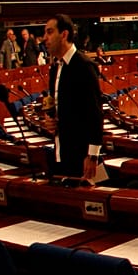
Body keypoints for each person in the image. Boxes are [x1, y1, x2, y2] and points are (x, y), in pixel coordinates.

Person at [43, 13, 103, 180]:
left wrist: (92, 156)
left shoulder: (84, 66)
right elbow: (58, 108)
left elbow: (95, 113)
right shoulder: (55, 68)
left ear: (64, 34)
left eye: (49, 32)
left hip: (82, 156)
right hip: (61, 152)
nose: (44, 38)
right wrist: (51, 121)